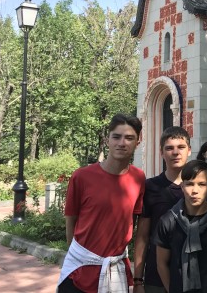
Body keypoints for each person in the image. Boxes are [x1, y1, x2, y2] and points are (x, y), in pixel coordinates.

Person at [57, 114, 146, 293]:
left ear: (138, 142)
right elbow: (71, 221)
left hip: (115, 271)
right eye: (116, 137)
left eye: (129, 138)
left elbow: (133, 223)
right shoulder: (82, 177)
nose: (122, 143)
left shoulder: (138, 178)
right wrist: (81, 258)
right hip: (79, 272)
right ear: (107, 140)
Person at [134, 127, 207, 293]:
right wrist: (138, 280)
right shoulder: (151, 187)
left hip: (199, 276)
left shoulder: (205, 186)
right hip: (156, 278)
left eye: (181, 147)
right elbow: (143, 236)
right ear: (161, 152)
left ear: (189, 150)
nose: (175, 152)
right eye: (169, 148)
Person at [155, 160, 207, 293]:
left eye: (201, 184)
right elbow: (161, 263)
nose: (195, 190)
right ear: (182, 186)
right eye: (189, 184)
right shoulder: (168, 221)